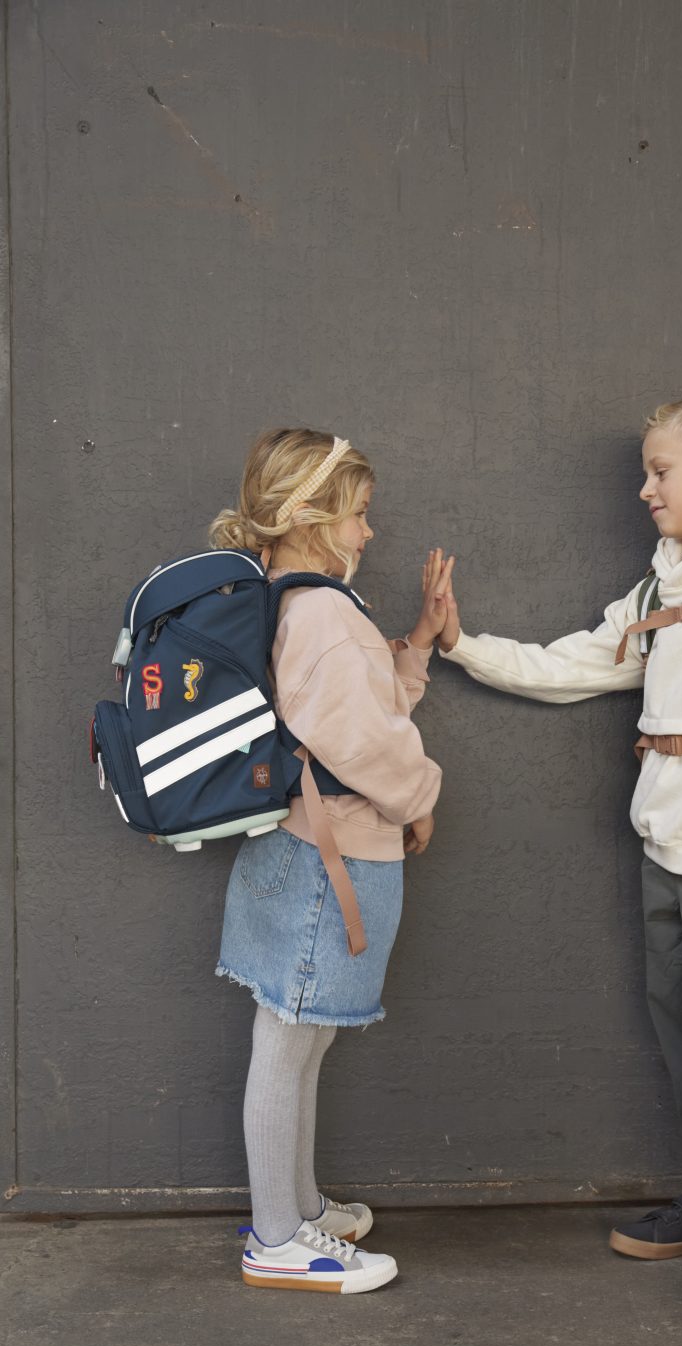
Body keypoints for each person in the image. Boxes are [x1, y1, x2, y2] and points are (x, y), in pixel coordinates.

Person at [437, 397, 682, 1320]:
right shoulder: (662, 581)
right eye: (647, 470)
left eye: (662, 470)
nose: (644, 486)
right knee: (679, 1028)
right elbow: (582, 661)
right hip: (666, 846)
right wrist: (463, 646)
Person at [210, 428, 453, 1293]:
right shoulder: (321, 612)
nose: (368, 533)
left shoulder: (298, 602)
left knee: (300, 1040)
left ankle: (300, 1208)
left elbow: (368, 709)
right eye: (358, 515)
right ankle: (278, 1240)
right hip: (326, 861)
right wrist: (421, 797)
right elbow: (360, 739)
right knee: (286, 1042)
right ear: (310, 517)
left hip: (305, 851)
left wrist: (417, 642)